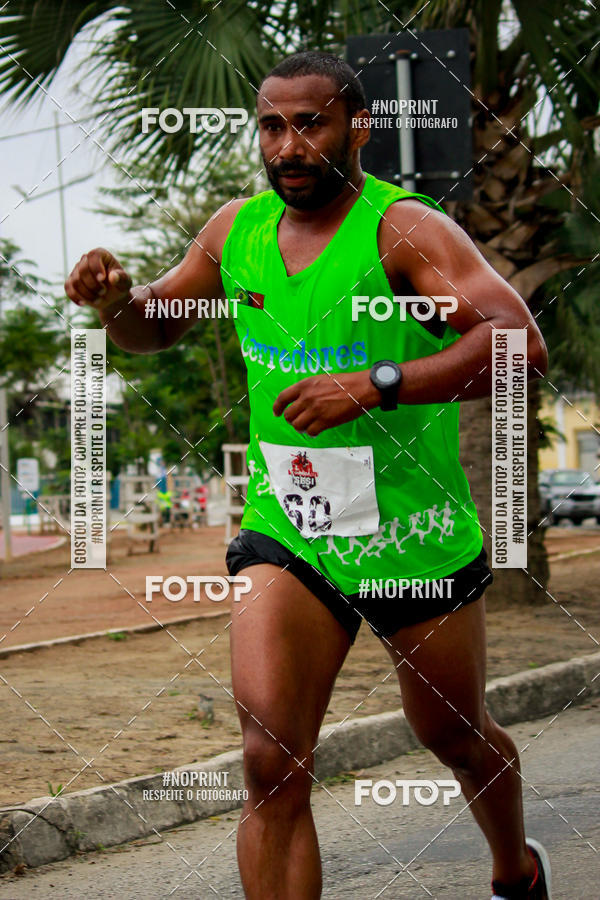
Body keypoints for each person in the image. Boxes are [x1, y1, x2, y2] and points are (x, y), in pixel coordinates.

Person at [65, 50, 551, 900]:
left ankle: (515, 868)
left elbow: (519, 346)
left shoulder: (405, 232)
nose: (288, 146)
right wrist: (115, 302)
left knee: (456, 735)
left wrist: (375, 386)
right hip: (290, 529)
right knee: (269, 757)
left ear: (357, 127)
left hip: (412, 535)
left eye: (310, 123)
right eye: (271, 126)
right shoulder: (236, 232)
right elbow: (158, 325)